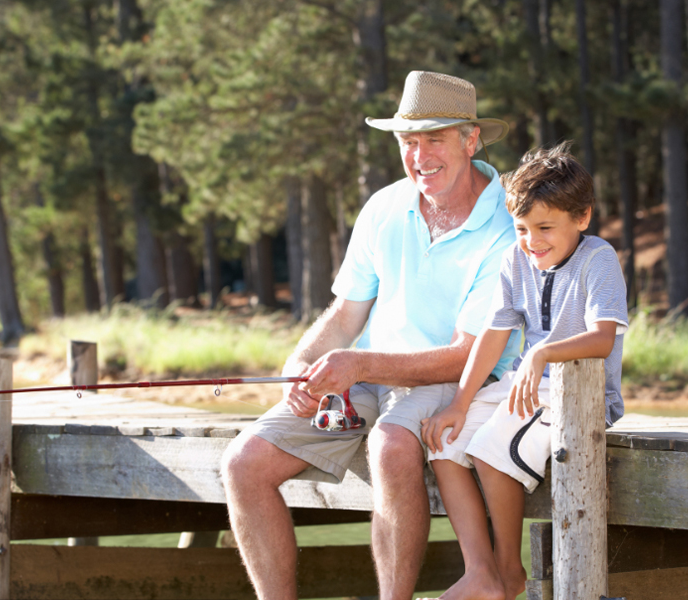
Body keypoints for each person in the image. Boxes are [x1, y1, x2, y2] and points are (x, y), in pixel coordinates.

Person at [221, 70, 522, 600]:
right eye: (409, 141)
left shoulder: (506, 226)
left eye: (435, 139)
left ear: (470, 140)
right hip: (368, 378)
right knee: (243, 464)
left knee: (389, 445)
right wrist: (302, 364)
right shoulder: (385, 206)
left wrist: (359, 366)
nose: (420, 155)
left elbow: (465, 354)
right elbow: (344, 315)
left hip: (458, 378)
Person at [419, 142, 629, 600]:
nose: (532, 240)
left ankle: (509, 574)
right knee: (444, 441)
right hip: (526, 384)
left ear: (582, 217)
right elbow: (494, 334)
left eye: (545, 227)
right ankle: (481, 573)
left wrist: (541, 354)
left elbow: (603, 338)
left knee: (493, 451)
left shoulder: (599, 260)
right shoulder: (516, 259)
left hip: (580, 399)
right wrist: (459, 402)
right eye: (521, 229)